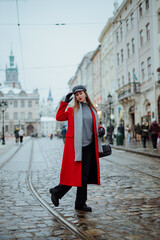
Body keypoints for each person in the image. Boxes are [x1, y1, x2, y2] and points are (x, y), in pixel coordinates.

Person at [49, 85, 104, 212]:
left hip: (89, 146)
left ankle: (80, 203)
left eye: (81, 93)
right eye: (77, 95)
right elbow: (59, 117)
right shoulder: (72, 110)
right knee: (72, 175)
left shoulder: (93, 110)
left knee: (84, 177)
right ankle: (56, 192)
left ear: (85, 93)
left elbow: (95, 126)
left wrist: (101, 129)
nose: (79, 96)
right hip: (75, 147)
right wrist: (65, 102)